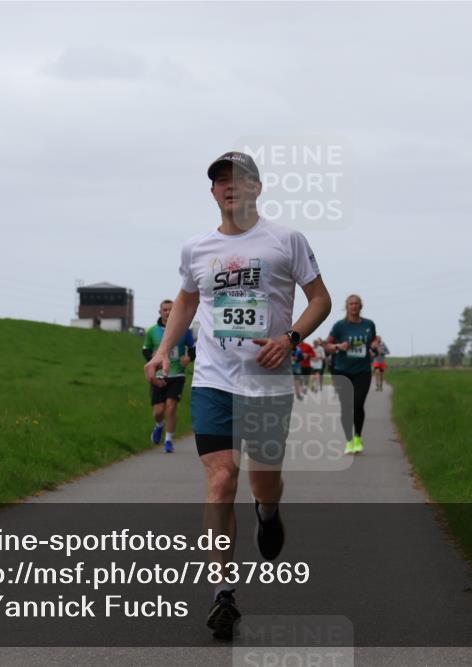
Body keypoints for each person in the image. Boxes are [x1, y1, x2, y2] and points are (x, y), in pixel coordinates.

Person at [144, 151, 331, 640]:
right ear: (212, 192)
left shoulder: (286, 240)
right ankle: (223, 594)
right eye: (220, 181)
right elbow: (186, 298)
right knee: (222, 479)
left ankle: (267, 513)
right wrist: (165, 349)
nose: (230, 187)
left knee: (263, 483)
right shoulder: (196, 248)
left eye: (239, 180)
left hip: (268, 384)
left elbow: (320, 300)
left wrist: (290, 338)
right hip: (213, 382)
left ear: (256, 188)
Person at [324, 295, 379, 455]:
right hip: (342, 371)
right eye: (351, 304)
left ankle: (357, 437)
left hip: (362, 371)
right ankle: (349, 441)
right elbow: (327, 346)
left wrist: (375, 344)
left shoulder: (369, 324)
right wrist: (339, 346)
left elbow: (373, 341)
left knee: (358, 404)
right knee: (347, 407)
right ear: (346, 307)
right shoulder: (340, 326)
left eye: (356, 304)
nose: (354, 306)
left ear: (361, 306)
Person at [142, 299, 195, 453]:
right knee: (159, 411)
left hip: (177, 374)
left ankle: (169, 440)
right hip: (159, 375)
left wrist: (189, 358)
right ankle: (159, 425)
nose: (167, 312)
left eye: (170, 309)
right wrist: (152, 359)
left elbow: (193, 349)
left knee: (171, 407)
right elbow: (145, 349)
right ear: (160, 312)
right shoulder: (152, 331)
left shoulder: (184, 330)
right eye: (164, 310)